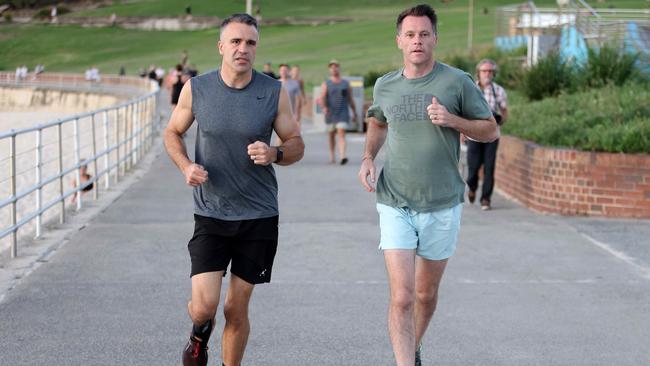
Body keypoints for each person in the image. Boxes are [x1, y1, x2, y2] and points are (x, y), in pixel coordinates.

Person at [358, 4, 498, 365]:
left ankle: (414, 345)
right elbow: (377, 122)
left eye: (424, 34)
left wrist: (452, 119)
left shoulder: (457, 82)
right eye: (410, 34)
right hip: (395, 201)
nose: (417, 40)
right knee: (402, 297)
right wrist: (368, 157)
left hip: (443, 203)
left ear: (435, 38)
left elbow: (490, 129)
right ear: (399, 41)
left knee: (424, 294)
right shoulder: (385, 85)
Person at [163, 13, 304, 366]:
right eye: (236, 42)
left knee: (235, 309)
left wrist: (276, 153)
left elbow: (296, 143)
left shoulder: (273, 92)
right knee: (205, 306)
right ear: (221, 47)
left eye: (251, 43)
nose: (243, 49)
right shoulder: (197, 88)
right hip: (211, 212)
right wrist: (186, 166)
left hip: (259, 216)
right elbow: (172, 132)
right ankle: (199, 333)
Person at [465, 58, 508, 211]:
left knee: (489, 167)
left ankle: (486, 199)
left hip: (492, 135)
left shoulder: (499, 91)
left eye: (490, 71)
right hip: (474, 133)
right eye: (484, 71)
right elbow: (463, 111)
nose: (487, 74)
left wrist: (501, 120)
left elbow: (504, 111)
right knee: (473, 167)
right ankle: (472, 187)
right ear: (478, 73)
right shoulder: (471, 88)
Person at [319, 59, 357, 165]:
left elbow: (350, 99)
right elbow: (322, 97)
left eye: (336, 66)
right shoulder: (326, 83)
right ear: (329, 69)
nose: (334, 69)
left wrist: (354, 113)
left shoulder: (345, 83)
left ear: (339, 68)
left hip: (343, 113)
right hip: (330, 114)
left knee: (341, 133)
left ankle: (342, 156)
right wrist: (324, 107)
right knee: (331, 135)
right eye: (332, 67)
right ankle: (332, 156)